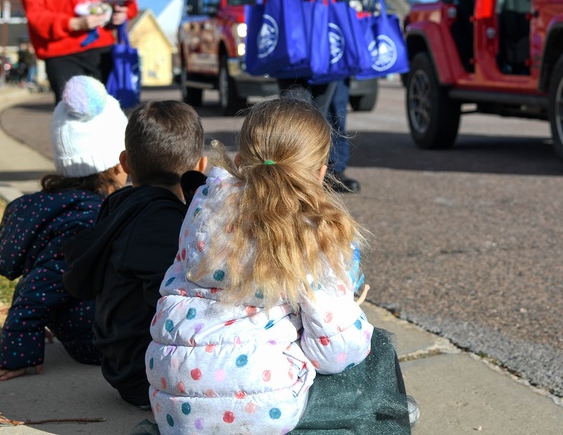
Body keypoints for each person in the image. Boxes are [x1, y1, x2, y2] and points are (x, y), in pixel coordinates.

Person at [145, 95, 411, 434]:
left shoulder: (203, 205)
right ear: (320, 172)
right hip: (264, 408)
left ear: (240, 160)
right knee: (371, 351)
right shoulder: (309, 229)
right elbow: (337, 351)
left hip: (172, 401)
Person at [62, 100, 208, 408]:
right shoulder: (160, 223)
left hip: (121, 364)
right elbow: (173, 305)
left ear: (125, 162)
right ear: (201, 166)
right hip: (146, 376)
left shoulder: (120, 207)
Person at [0, 76, 128, 382]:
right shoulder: (86, 221)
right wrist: (18, 354)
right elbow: (36, 290)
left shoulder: (56, 204)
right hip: (96, 340)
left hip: (81, 323)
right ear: (118, 165)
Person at [254, 0, 370, 193]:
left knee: (322, 113)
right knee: (292, 107)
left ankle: (320, 176)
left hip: (325, 44)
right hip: (289, 43)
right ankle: (293, 176)